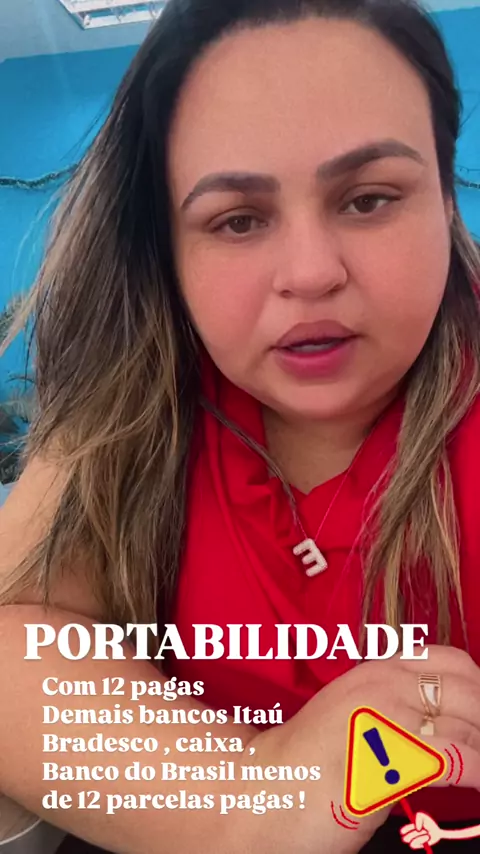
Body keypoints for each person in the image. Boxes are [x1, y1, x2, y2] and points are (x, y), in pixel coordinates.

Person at [0, 0, 480, 852]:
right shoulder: (132, 401)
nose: (311, 272)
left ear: (445, 201)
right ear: (169, 252)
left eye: (369, 199)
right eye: (238, 220)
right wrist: (249, 797)